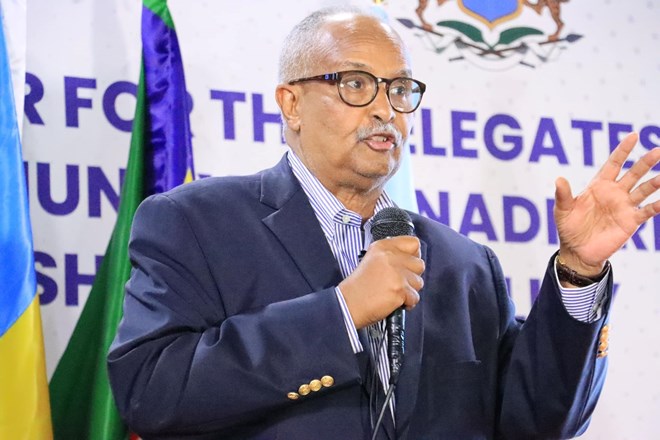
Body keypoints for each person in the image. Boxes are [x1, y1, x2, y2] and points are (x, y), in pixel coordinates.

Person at [107, 6, 660, 440]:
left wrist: (580, 271)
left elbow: (540, 422)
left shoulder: (465, 265)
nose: (384, 110)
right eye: (355, 84)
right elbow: (151, 393)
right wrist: (342, 313)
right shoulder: (195, 222)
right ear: (291, 103)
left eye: (399, 90)